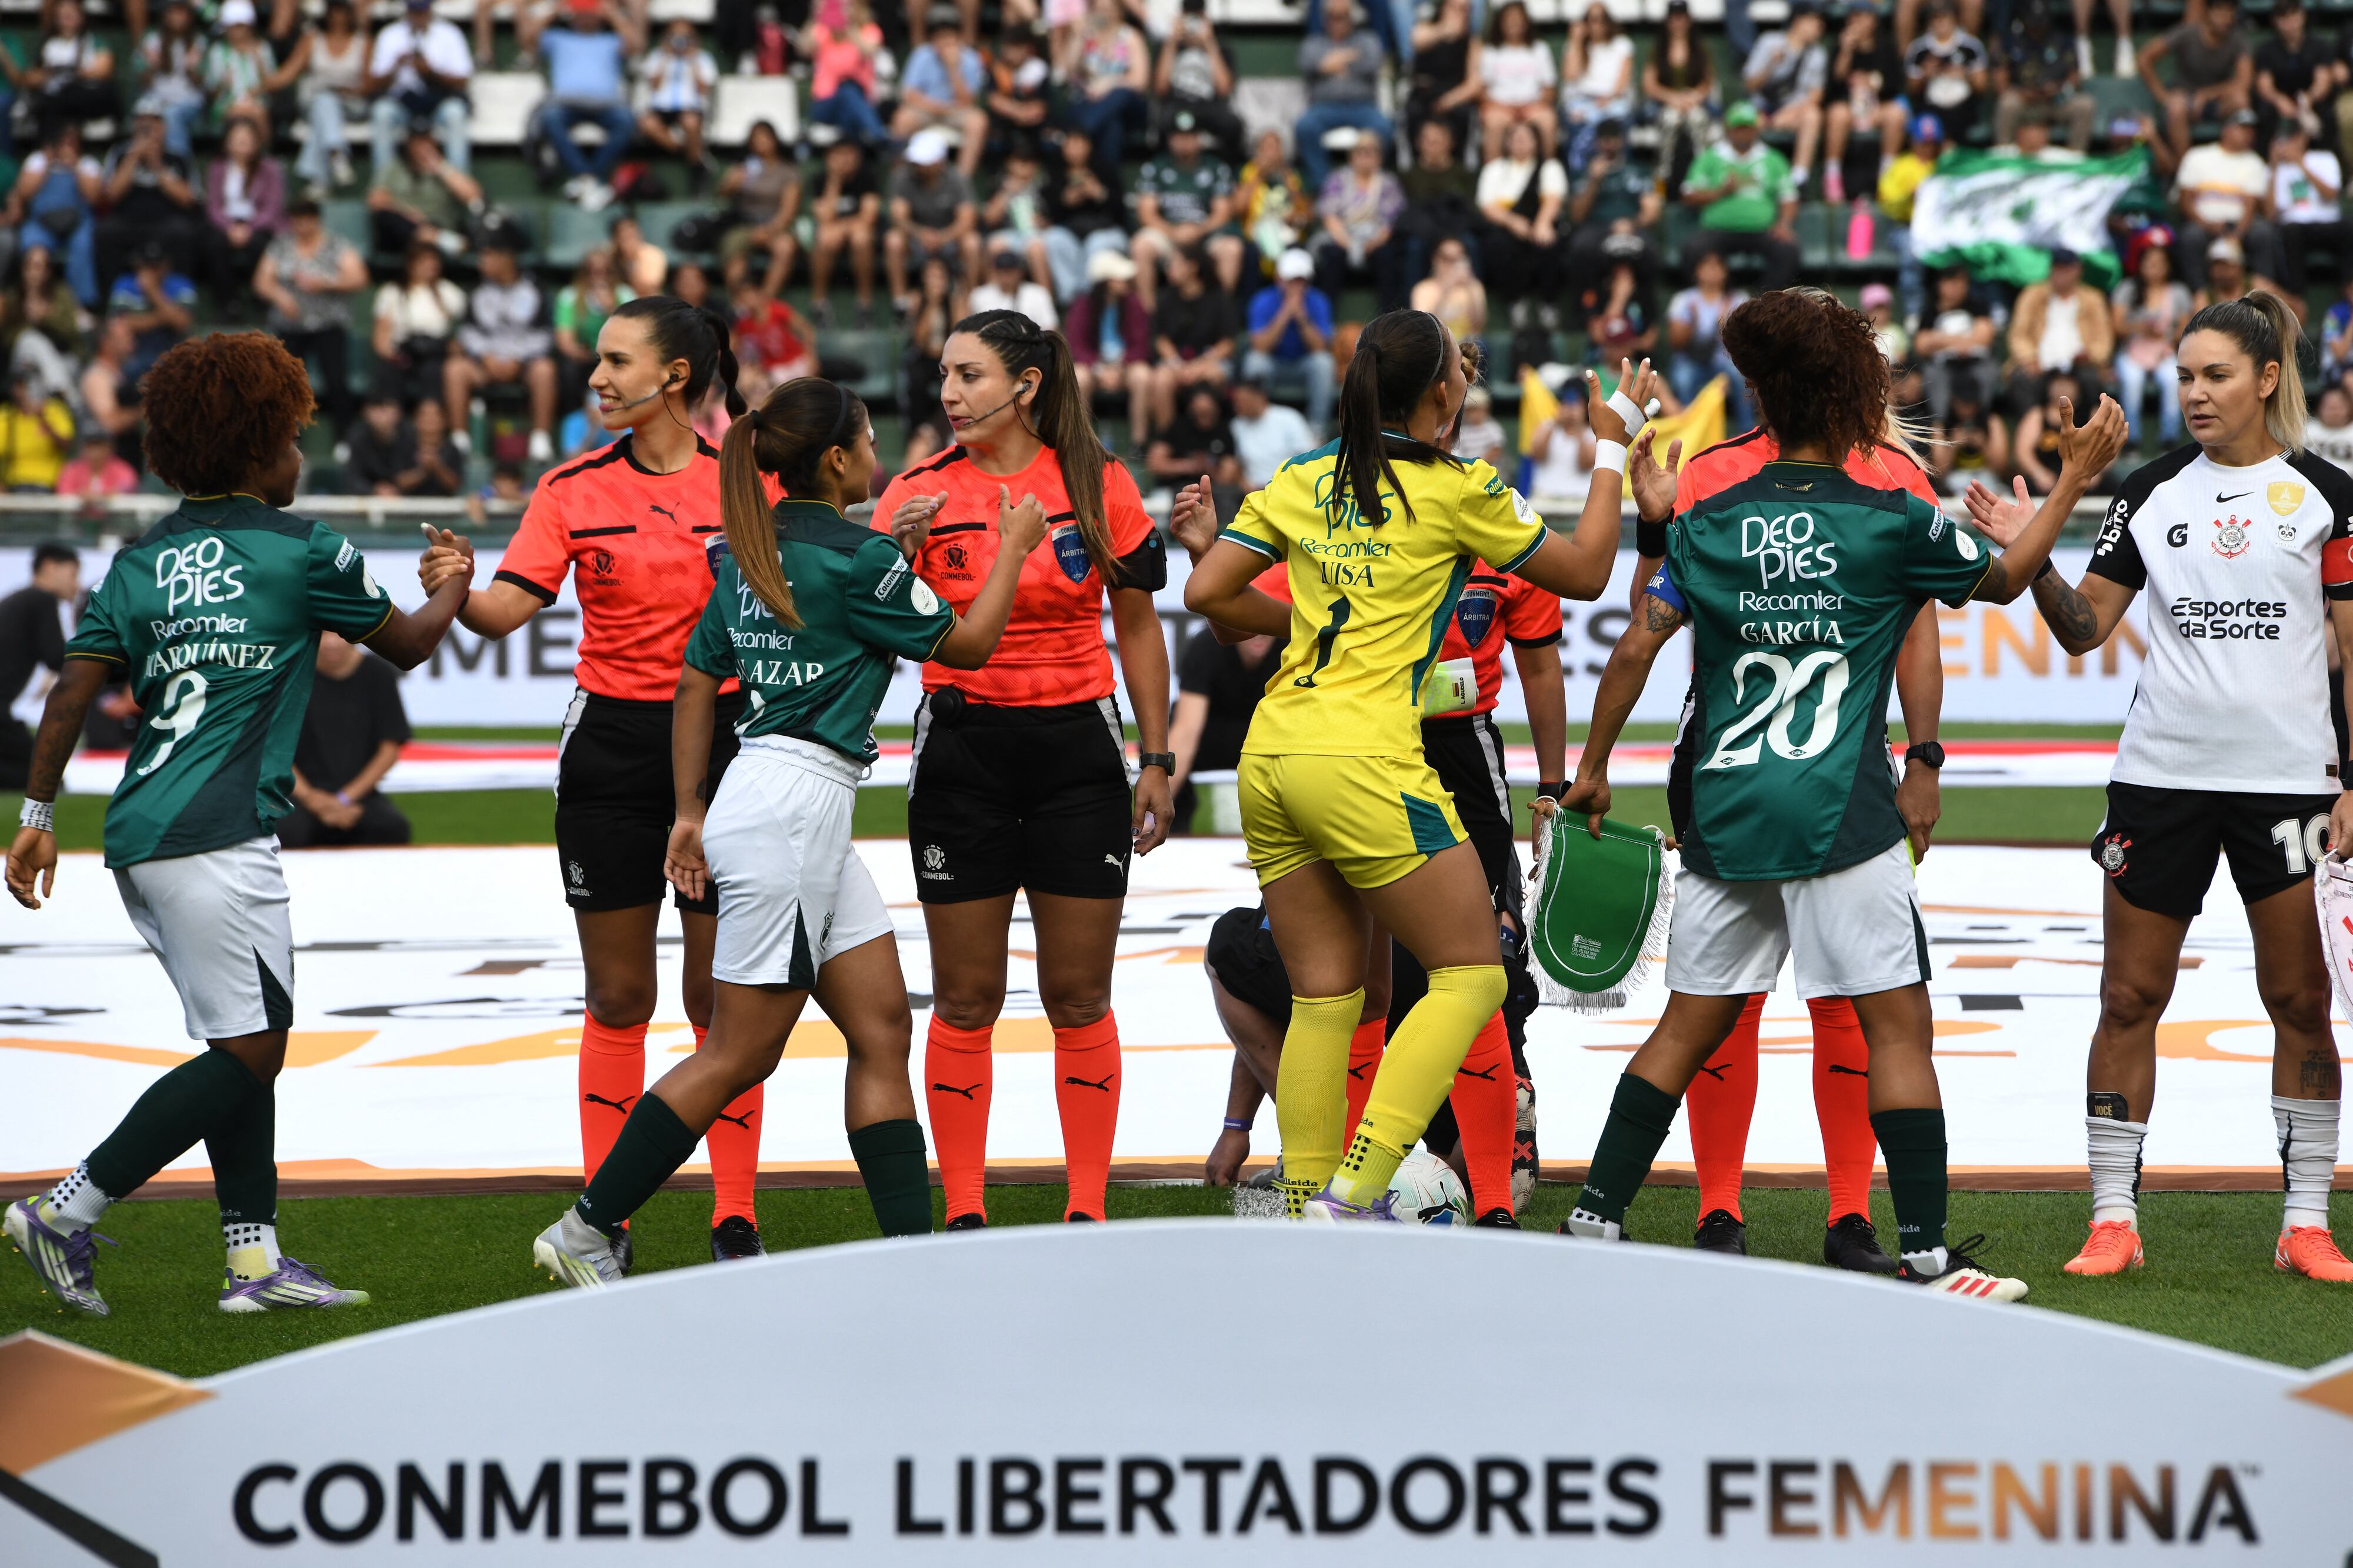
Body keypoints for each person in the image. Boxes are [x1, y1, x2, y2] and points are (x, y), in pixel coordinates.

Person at [1557, 288, 2127, 1296]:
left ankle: (1595, 1217)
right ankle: (1929, 1253)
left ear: (1764, 399)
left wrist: (1594, 769)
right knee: (1897, 1027)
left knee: (1687, 1026)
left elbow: (1642, 638)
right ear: (1854, 394)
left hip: (1728, 808)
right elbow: (2005, 582)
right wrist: (2073, 479)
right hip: (1842, 813)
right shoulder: (1890, 514)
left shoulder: (1710, 511)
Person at [531, 377, 1046, 1285]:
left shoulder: (752, 550)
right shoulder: (859, 558)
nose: (883, 453)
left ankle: (912, 1263)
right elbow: (968, 646)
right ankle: (584, 1227)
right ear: (840, 460)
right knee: (740, 1049)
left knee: (883, 1027)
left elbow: (699, 681)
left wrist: (691, 810)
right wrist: (1012, 547)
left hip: (764, 798)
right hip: (795, 812)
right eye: (873, 439)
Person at [3, 332, 471, 1317]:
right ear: (258, 443)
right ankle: (62, 1210)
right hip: (219, 835)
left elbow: (69, 698)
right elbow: (415, 650)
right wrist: (453, 582)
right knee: (252, 1049)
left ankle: (253, 1266)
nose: (301, 457)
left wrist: (38, 817)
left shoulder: (138, 563)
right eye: (293, 438)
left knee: (237, 1039)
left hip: (139, 832)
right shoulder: (306, 549)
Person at [1174, 316, 1645, 1220]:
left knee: (1326, 993)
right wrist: (1611, 447)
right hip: (1366, 756)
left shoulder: (1304, 475)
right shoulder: (1456, 486)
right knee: (1471, 973)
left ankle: (1306, 1193)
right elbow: (1586, 569)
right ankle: (1359, 1187)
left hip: (1271, 755)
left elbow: (1206, 594)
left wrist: (1306, 629)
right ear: (1444, 394)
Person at [1971, 290, 2353, 1283]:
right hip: (2160, 782)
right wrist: (2035, 549)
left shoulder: (2329, 496)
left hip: (2291, 791)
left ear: (2268, 380)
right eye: (2184, 376)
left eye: (2216, 375)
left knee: (2301, 1001)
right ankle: (2112, 1218)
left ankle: (2305, 1221)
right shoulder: (2147, 492)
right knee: (2128, 995)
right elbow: (2081, 627)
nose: (2194, 393)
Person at [436, 296, 770, 1265]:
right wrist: (456, 583)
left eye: (617, 361)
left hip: (731, 751)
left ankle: (734, 1217)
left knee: (721, 1005)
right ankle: (607, 1222)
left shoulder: (746, 485)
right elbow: (503, 611)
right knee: (620, 997)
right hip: (612, 756)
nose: (595, 377)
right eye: (596, 360)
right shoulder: (570, 489)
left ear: (676, 377)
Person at [873, 308, 1173, 1227]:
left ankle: (1087, 1213)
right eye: (945, 376)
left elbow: (1136, 621)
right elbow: (876, 627)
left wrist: (1156, 757)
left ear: (1026, 385)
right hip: (962, 751)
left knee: (1079, 993)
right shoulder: (915, 491)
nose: (950, 395)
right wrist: (898, 558)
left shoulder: (1096, 478)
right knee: (966, 998)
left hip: (1080, 753)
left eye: (969, 376)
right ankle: (964, 1213)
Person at [278, 632, 413, 848]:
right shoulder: (291, 675)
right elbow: (275, 750)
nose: (332, 643)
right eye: (324, 636)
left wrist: (343, 800)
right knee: (287, 832)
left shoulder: (378, 674)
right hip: (298, 795)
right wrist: (313, 800)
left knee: (391, 829)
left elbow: (389, 750)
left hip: (359, 795)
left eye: (340, 636)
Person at [448, 237, 558, 463]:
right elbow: (467, 333)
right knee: (455, 369)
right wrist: (486, 356)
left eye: (487, 257)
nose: (481, 263)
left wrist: (517, 359)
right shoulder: (478, 290)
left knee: (545, 370)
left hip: (524, 366)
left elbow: (545, 336)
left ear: (506, 258)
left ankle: (540, 440)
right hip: (486, 364)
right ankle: (459, 441)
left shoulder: (534, 289)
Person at [1679, 101, 1799, 292]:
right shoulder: (1710, 157)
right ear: (1728, 130)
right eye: (1738, 128)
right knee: (1693, 249)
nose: (1743, 133)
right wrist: (1720, 191)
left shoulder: (1773, 159)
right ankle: (1724, 301)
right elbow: (1688, 194)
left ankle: (1764, 304)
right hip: (1718, 229)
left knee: (1787, 250)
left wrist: (1784, 224)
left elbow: (1789, 196)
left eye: (1747, 128)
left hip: (1762, 230)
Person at [1131, 109, 1243, 309]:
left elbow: (1223, 213)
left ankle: (1221, 315)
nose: (1184, 142)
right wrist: (1174, 232)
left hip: (1205, 234)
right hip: (1168, 232)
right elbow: (1146, 214)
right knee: (1141, 246)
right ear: (1170, 139)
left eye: (1190, 136)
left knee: (1232, 249)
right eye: (1179, 136)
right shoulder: (1157, 167)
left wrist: (1198, 231)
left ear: (1199, 139)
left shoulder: (1216, 167)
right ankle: (1150, 316)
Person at [536, 0, 642, 211]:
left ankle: (586, 179)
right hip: (565, 104)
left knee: (627, 121)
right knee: (549, 118)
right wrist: (553, 12)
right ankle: (589, 178)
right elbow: (527, 40)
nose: (586, 16)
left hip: (607, 105)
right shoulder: (558, 38)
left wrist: (612, 14)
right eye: (581, 12)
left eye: (590, 12)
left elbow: (636, 46)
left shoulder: (612, 40)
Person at [2175, 108, 2283, 295]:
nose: (2248, 135)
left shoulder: (2254, 162)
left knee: (2264, 233)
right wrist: (2208, 225)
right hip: (2204, 223)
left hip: (2240, 225)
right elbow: (2185, 201)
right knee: (2190, 237)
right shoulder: (2198, 156)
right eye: (2242, 129)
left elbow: (2251, 206)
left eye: (2251, 131)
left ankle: (2262, 295)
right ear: (2226, 129)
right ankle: (2198, 295)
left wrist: (2237, 235)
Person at [365, 0, 474, 178]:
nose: (418, 16)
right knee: (381, 112)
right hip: (402, 101)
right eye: (414, 11)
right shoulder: (390, 34)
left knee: (456, 113)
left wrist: (430, 72)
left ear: (430, 9)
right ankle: (382, 183)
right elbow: (374, 84)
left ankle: (459, 180)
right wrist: (396, 66)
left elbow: (462, 81)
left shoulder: (450, 33)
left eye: (421, 11)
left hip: (439, 100)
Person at [0, 541, 75, 789]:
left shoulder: (20, 601)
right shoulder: (40, 599)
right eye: (73, 573)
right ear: (50, 567)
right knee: (45, 780)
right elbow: (56, 656)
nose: (76, 583)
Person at [1064, 247, 1153, 455]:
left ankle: (1139, 443)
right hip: (1095, 367)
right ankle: (1080, 440)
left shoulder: (1133, 303)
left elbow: (1141, 344)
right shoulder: (1083, 305)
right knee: (1080, 376)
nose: (1126, 281)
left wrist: (1120, 368)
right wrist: (1099, 369)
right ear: (1106, 282)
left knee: (1142, 375)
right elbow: (1076, 346)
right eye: (1119, 278)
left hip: (1125, 366)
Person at [884, 128, 982, 318]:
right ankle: (900, 303)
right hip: (916, 240)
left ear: (940, 162)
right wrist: (921, 234)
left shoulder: (957, 178)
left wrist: (943, 237)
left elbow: (967, 220)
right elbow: (898, 217)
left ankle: (971, 302)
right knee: (893, 240)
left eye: (926, 162)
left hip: (950, 240)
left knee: (972, 242)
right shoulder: (902, 177)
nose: (920, 166)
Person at [1297, 0, 1393, 190]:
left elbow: (1373, 62)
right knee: (1305, 127)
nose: (1337, 22)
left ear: (1352, 18)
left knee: (1384, 127)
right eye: (1333, 17)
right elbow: (1306, 63)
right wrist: (1349, 58)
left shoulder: (1367, 39)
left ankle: (1371, 181)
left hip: (1363, 106)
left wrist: (1332, 63)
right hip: (1324, 108)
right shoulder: (1314, 43)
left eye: (1342, 17)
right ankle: (1323, 186)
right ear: (1325, 20)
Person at [2139, 0, 2252, 159]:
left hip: (2217, 101)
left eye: (2229, 12)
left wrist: (2206, 94)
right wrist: (2162, 96)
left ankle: (2235, 164)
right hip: (2185, 99)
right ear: (2207, 13)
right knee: (2176, 107)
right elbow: (2144, 58)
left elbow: (2244, 82)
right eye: (2219, 11)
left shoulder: (2238, 39)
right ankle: (2185, 172)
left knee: (2240, 100)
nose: (2224, 18)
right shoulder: (2187, 33)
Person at [1477, 118, 1568, 312]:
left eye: (1526, 138)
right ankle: (1514, 301)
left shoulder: (1550, 167)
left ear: (1536, 142)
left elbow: (1553, 199)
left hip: (1541, 222)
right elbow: (1488, 207)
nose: (1520, 142)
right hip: (1506, 226)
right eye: (1515, 138)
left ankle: (1549, 303)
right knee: (1498, 244)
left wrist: (1543, 223)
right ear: (1507, 142)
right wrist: (1513, 222)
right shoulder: (1494, 169)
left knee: (1550, 242)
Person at [1242, 246, 1336, 434]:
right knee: (1255, 362)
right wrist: (1285, 314)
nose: (1296, 285)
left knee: (1323, 363)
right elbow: (1260, 347)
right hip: (1274, 363)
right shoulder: (1262, 300)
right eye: (1291, 279)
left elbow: (1319, 347)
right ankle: (1259, 427)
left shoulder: (1318, 301)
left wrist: (1301, 317)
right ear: (1279, 279)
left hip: (1303, 364)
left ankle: (1316, 430)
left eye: (1301, 280)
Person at [1310, 129, 1406, 311]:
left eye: (1371, 152)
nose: (1366, 157)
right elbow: (1330, 217)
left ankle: (1389, 320)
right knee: (1332, 255)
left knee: (1387, 255)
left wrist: (1370, 244)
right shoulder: (1337, 179)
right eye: (1361, 152)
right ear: (1351, 157)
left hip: (1375, 240)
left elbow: (1390, 223)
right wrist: (1351, 245)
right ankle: (1326, 319)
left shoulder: (1388, 183)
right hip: (1343, 238)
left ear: (1379, 157)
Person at [2006, 246, 2113, 410]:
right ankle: (2032, 426)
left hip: (2079, 365)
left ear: (2078, 271)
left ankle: (2085, 429)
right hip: (2040, 363)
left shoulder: (2093, 299)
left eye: (2066, 269)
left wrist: (2090, 355)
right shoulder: (2032, 295)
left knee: (2091, 380)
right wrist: (2030, 358)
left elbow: (2103, 341)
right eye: (2057, 268)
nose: (2061, 274)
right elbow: (2018, 335)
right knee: (2022, 379)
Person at [11, 124, 103, 310]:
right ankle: (32, 301)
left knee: (83, 246)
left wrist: (75, 165)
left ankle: (80, 306)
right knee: (34, 250)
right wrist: (48, 161)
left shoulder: (87, 164)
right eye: (63, 141)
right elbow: (24, 193)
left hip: (78, 224)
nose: (66, 145)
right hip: (41, 223)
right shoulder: (38, 160)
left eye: (72, 141)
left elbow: (94, 199)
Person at [1822, 2, 1908, 202]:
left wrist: (1872, 82)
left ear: (1874, 20)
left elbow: (1894, 85)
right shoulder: (1840, 46)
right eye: (1853, 16)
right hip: (1849, 109)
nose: (1857, 21)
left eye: (1863, 16)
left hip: (1877, 108)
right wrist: (1846, 51)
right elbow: (1834, 86)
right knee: (1837, 113)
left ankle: (1887, 175)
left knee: (1896, 113)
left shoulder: (1886, 46)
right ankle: (1832, 175)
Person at [2111, 241, 2191, 449]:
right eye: (2150, 262)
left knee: (2173, 379)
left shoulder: (2179, 292)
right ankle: (2131, 439)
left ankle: (2169, 438)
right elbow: (2117, 326)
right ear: (2141, 265)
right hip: (2132, 352)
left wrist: (2165, 335)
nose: (2154, 267)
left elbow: (2185, 331)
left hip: (2165, 352)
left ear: (2168, 266)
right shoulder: (2128, 288)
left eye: (2160, 263)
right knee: (2132, 381)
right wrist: (2140, 327)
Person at [204, 116, 284, 319]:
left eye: (247, 138)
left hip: (260, 225)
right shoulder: (217, 168)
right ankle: (228, 303)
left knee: (260, 244)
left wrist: (250, 228)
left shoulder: (270, 168)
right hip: (226, 225)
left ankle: (262, 299)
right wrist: (230, 228)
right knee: (214, 244)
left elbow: (272, 208)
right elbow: (213, 207)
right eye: (237, 138)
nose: (242, 143)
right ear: (226, 142)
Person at [893, 9, 989, 179]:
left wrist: (952, 68)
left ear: (959, 38)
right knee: (902, 119)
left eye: (950, 37)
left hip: (956, 111)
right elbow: (909, 95)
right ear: (934, 40)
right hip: (927, 109)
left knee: (978, 122)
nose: (946, 42)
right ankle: (900, 179)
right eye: (941, 38)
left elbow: (969, 101)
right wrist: (935, 107)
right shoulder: (921, 55)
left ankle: (962, 181)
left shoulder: (971, 58)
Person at [371, 241, 465, 411]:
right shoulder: (391, 292)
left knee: (434, 373)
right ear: (411, 264)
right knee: (388, 372)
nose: (431, 265)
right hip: (402, 354)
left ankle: (431, 421)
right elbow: (381, 339)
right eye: (424, 261)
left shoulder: (449, 292)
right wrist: (395, 357)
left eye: (434, 261)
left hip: (435, 356)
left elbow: (463, 332)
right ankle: (391, 424)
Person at [1743, 2, 1827, 191]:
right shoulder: (1770, 41)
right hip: (1761, 109)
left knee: (1813, 115)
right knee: (1743, 121)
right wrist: (1771, 65)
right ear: (1798, 21)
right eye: (1815, 21)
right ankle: (1748, 180)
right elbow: (1750, 85)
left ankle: (1799, 179)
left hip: (1792, 113)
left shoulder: (1817, 54)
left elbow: (1815, 97)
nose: (1819, 27)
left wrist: (1781, 117)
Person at [1040, 125, 1128, 306]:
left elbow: (1122, 212)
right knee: (1053, 239)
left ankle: (1090, 300)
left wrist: (1100, 193)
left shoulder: (1105, 169)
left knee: (1095, 244)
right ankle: (1072, 301)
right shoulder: (1055, 174)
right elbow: (1048, 216)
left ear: (1089, 146)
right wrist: (1065, 201)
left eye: (1080, 143)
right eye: (1070, 144)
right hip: (1071, 233)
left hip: (1106, 231)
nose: (1075, 149)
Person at [286, 0, 368, 192]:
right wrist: (261, 85)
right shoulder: (312, 38)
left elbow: (370, 83)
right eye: (334, 12)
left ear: (350, 14)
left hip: (352, 103)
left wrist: (345, 91)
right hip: (315, 100)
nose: (338, 17)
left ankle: (319, 180)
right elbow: (289, 72)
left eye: (343, 12)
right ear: (327, 14)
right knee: (324, 102)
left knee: (324, 108)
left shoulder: (363, 41)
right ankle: (336, 155)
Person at [366, 122, 481, 259]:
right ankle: (437, 239)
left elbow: (474, 197)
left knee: (426, 229)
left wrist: (441, 168)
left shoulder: (446, 167)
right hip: (402, 232)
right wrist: (410, 214)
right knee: (386, 218)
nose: (422, 146)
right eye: (417, 141)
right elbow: (375, 201)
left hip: (437, 224)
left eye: (426, 140)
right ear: (408, 144)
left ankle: (433, 237)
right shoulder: (394, 167)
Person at [1664, 250, 1749, 428]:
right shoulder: (1684, 300)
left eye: (1717, 266)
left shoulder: (1738, 299)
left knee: (1740, 376)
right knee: (1683, 379)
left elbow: (1746, 343)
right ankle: (1688, 433)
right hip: (1691, 360)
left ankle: (1747, 430)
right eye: (1707, 266)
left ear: (1725, 272)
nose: (1712, 271)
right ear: (1697, 271)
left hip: (1726, 360)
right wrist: (1692, 324)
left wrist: (1726, 326)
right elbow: (1676, 343)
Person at [1066, 0, 1150, 178]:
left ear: (1119, 11)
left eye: (1109, 9)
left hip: (1128, 107)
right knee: (1112, 127)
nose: (1104, 13)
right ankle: (1109, 184)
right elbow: (1070, 73)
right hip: (1092, 103)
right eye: (1099, 9)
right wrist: (1077, 37)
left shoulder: (1130, 36)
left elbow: (1140, 81)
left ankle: (1082, 132)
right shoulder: (1086, 35)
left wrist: (1110, 84)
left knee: (1119, 95)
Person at [2267, 118, 2347, 296]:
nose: (2287, 143)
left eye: (2292, 137)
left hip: (2328, 223)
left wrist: (2301, 164)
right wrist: (2273, 168)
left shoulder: (2324, 159)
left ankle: (2349, 288)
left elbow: (2331, 194)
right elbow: (2270, 214)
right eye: (2283, 139)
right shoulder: (2275, 169)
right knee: (2287, 233)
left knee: (2350, 227)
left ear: (2303, 138)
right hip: (2294, 227)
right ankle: (2297, 297)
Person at [807, 132, 881, 326]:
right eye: (839, 154)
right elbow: (824, 217)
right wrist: (835, 180)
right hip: (833, 235)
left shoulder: (867, 177)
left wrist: (843, 227)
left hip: (857, 233)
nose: (845, 160)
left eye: (850, 154)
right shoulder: (820, 179)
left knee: (861, 237)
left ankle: (865, 304)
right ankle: (819, 304)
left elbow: (868, 217)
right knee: (824, 236)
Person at [1643, 0, 1716, 191]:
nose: (1678, 23)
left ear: (1688, 20)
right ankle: (1662, 178)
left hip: (1693, 103)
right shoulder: (1658, 49)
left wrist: (1694, 97)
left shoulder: (1699, 48)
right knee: (1670, 121)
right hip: (1667, 103)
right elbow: (1649, 84)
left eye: (1681, 18)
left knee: (1698, 120)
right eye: (1674, 19)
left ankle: (1703, 175)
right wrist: (1672, 98)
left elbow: (1708, 82)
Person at [636, 17, 718, 188]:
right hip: (662, 108)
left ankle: (695, 166)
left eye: (685, 36)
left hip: (691, 107)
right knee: (647, 123)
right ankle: (692, 151)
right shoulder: (657, 56)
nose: (680, 40)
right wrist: (665, 56)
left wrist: (693, 59)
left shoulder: (703, 58)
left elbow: (704, 88)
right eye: (675, 36)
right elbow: (654, 85)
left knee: (691, 122)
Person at [1558, 1, 1635, 171]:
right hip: (1582, 103)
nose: (1597, 25)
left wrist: (1606, 100)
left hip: (1613, 102)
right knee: (1577, 128)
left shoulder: (1622, 44)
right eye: (1591, 20)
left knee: (1616, 127)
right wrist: (1576, 41)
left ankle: (1620, 176)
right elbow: (1571, 76)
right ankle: (1578, 178)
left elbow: (1622, 84)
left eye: (1601, 20)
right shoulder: (1573, 46)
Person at [1479, 1, 1558, 161]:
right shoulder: (1491, 51)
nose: (1514, 22)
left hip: (1533, 107)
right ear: (1500, 22)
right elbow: (1482, 90)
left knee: (1548, 120)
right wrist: (1504, 107)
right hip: (1500, 107)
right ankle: (1493, 178)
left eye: (1518, 18)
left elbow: (1550, 90)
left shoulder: (1539, 49)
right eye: (1509, 18)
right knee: (1494, 122)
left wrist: (1531, 106)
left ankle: (1548, 173)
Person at [1905, 0, 1991, 142]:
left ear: (1954, 19)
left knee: (1960, 120)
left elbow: (1982, 87)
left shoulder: (1971, 46)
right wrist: (1925, 75)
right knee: (1927, 123)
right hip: (1930, 107)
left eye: (1944, 18)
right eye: (1935, 19)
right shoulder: (1918, 49)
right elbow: (1912, 90)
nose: (1940, 23)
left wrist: (1965, 75)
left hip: (1963, 107)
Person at [804, 0, 886, 146]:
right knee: (847, 91)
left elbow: (869, 51)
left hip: (859, 102)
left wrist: (849, 26)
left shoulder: (868, 30)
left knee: (848, 101)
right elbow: (803, 49)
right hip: (824, 104)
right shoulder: (822, 31)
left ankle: (853, 147)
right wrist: (816, 16)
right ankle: (878, 137)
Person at [1405, 0, 1480, 154]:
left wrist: (1448, 101)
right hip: (1423, 92)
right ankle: (1414, 163)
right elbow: (1416, 41)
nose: (1461, 13)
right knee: (1413, 112)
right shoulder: (1427, 28)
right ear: (1444, 7)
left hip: (1453, 94)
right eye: (1456, 8)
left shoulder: (1473, 42)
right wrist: (1443, 31)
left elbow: (1474, 84)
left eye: (1465, 10)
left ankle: (1459, 164)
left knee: (1463, 114)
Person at [1229, 373, 1314, 486]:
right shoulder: (1237, 425)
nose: (1238, 406)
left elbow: (1307, 456)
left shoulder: (1289, 417)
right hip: (1252, 492)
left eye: (1243, 400)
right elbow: (1237, 464)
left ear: (1260, 397)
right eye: (1236, 402)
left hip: (1288, 487)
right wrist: (1243, 483)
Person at [0, 367, 74, 489]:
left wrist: (42, 419)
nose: (24, 391)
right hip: (15, 484)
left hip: (48, 485)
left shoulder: (55, 410)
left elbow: (66, 446)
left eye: (29, 386)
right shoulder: (6, 415)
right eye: (20, 386)